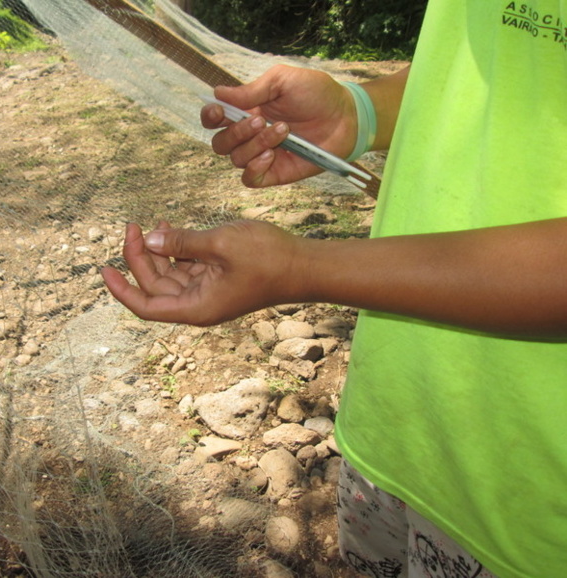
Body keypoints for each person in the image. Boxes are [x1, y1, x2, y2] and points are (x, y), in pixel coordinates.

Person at [101, 1, 567, 576]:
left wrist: (300, 268)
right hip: (399, 439)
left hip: (531, 507)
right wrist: (361, 111)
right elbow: (496, 62)